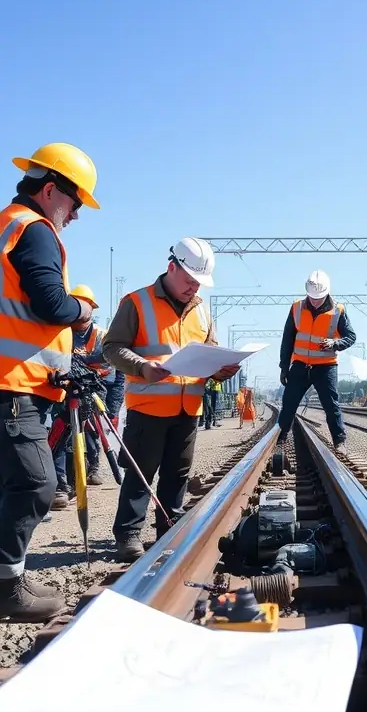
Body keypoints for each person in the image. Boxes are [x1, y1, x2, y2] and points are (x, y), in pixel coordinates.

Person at [0, 143, 100, 621]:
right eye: (77, 202)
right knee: (38, 483)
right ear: (50, 189)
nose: (77, 214)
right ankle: (6, 587)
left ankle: (10, 574)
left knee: (14, 483)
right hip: (12, 385)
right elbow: (50, 306)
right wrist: (81, 309)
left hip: (22, 380)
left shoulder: (7, 224)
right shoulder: (35, 230)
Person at [103, 238, 239, 562]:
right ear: (171, 267)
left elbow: (211, 353)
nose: (194, 288)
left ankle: (169, 527)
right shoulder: (136, 302)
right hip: (148, 406)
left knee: (178, 473)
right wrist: (141, 366)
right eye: (189, 280)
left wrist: (222, 369)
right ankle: (128, 534)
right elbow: (111, 348)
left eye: (199, 283)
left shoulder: (203, 310)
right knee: (141, 472)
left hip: (188, 407)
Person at [51, 284, 125, 507]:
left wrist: (112, 409)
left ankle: (92, 466)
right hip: (64, 392)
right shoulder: (61, 333)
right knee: (61, 439)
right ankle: (61, 487)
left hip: (94, 390)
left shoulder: (103, 336)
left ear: (91, 309)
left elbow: (117, 375)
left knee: (91, 434)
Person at [277, 270, 356, 452]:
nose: (314, 301)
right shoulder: (296, 308)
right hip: (300, 365)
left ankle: (339, 441)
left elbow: (351, 337)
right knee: (289, 402)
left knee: (331, 404)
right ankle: (280, 437)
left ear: (327, 293)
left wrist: (335, 343)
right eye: (311, 297)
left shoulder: (338, 310)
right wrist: (284, 367)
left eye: (318, 298)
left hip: (326, 367)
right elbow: (287, 339)